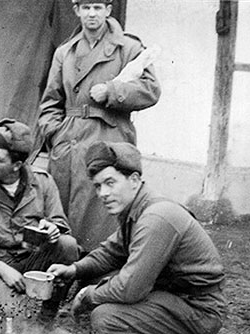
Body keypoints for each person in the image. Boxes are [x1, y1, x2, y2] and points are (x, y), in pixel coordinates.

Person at [48, 141, 226, 334]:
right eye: (98, 186)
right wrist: (74, 269)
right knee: (112, 290)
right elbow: (110, 252)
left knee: (107, 317)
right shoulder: (137, 209)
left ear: (134, 179)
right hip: (180, 300)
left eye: (110, 183)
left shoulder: (155, 217)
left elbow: (131, 288)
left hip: (200, 309)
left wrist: (87, 295)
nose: (103, 193)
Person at [37, 0, 161, 253]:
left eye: (97, 7)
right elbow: (50, 101)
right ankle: (64, 270)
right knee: (62, 212)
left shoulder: (128, 47)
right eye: (85, 8)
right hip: (69, 140)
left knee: (103, 211)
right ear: (77, 11)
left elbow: (151, 90)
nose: (91, 14)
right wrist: (55, 133)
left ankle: (98, 274)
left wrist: (113, 91)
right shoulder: (65, 52)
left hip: (110, 137)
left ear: (108, 10)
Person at [0, 118, 79, 326]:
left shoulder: (43, 182)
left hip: (34, 258)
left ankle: (46, 321)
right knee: (13, 317)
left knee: (68, 246)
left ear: (17, 165)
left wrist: (53, 228)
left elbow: (60, 222)